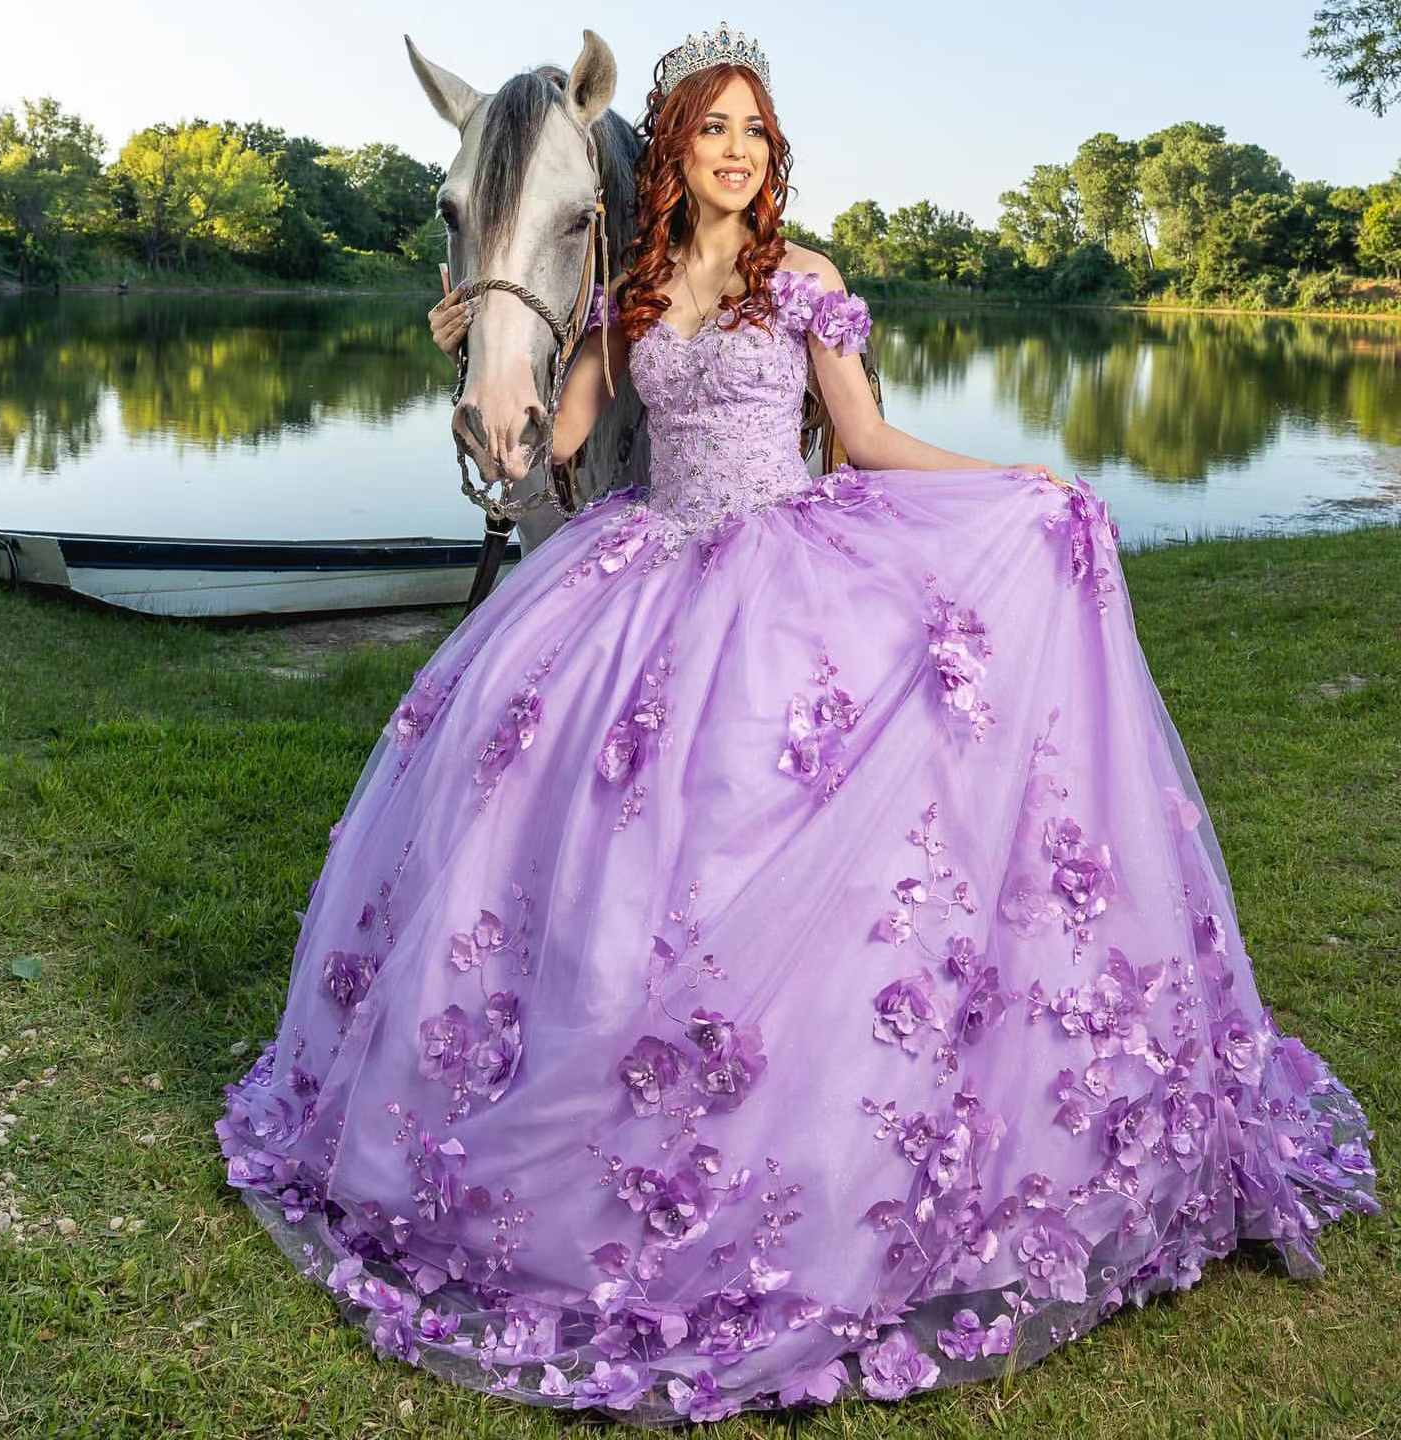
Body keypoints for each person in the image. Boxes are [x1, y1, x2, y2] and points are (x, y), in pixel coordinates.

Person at [217, 25, 1377, 1425]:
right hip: (640, 583)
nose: (736, 152)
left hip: (779, 588)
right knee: (597, 854)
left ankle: (790, 1141)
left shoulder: (808, 284)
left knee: (773, 861)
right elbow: (557, 452)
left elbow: (870, 446)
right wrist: (480, 354)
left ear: (774, 156)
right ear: (676, 153)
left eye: (756, 133)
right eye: (714, 130)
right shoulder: (627, 295)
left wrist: (1026, 477)